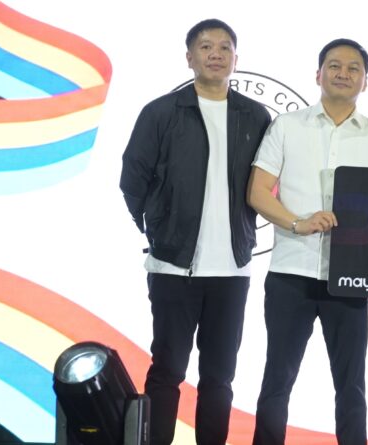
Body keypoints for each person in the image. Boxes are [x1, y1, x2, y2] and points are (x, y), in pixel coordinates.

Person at [119, 19, 271, 445]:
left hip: (232, 270)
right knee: (168, 370)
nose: (215, 54)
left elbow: (268, 181)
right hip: (173, 267)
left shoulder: (255, 116)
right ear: (189, 57)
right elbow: (133, 179)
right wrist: (158, 229)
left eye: (224, 47)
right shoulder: (161, 112)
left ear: (236, 59)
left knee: (220, 377)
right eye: (206, 47)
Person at [246, 38, 368, 445]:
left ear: (365, 81)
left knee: (352, 386)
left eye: (353, 68)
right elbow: (258, 192)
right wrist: (298, 223)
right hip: (290, 272)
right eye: (334, 66)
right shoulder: (286, 126)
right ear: (318, 74)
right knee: (277, 380)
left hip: (349, 280)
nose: (343, 74)